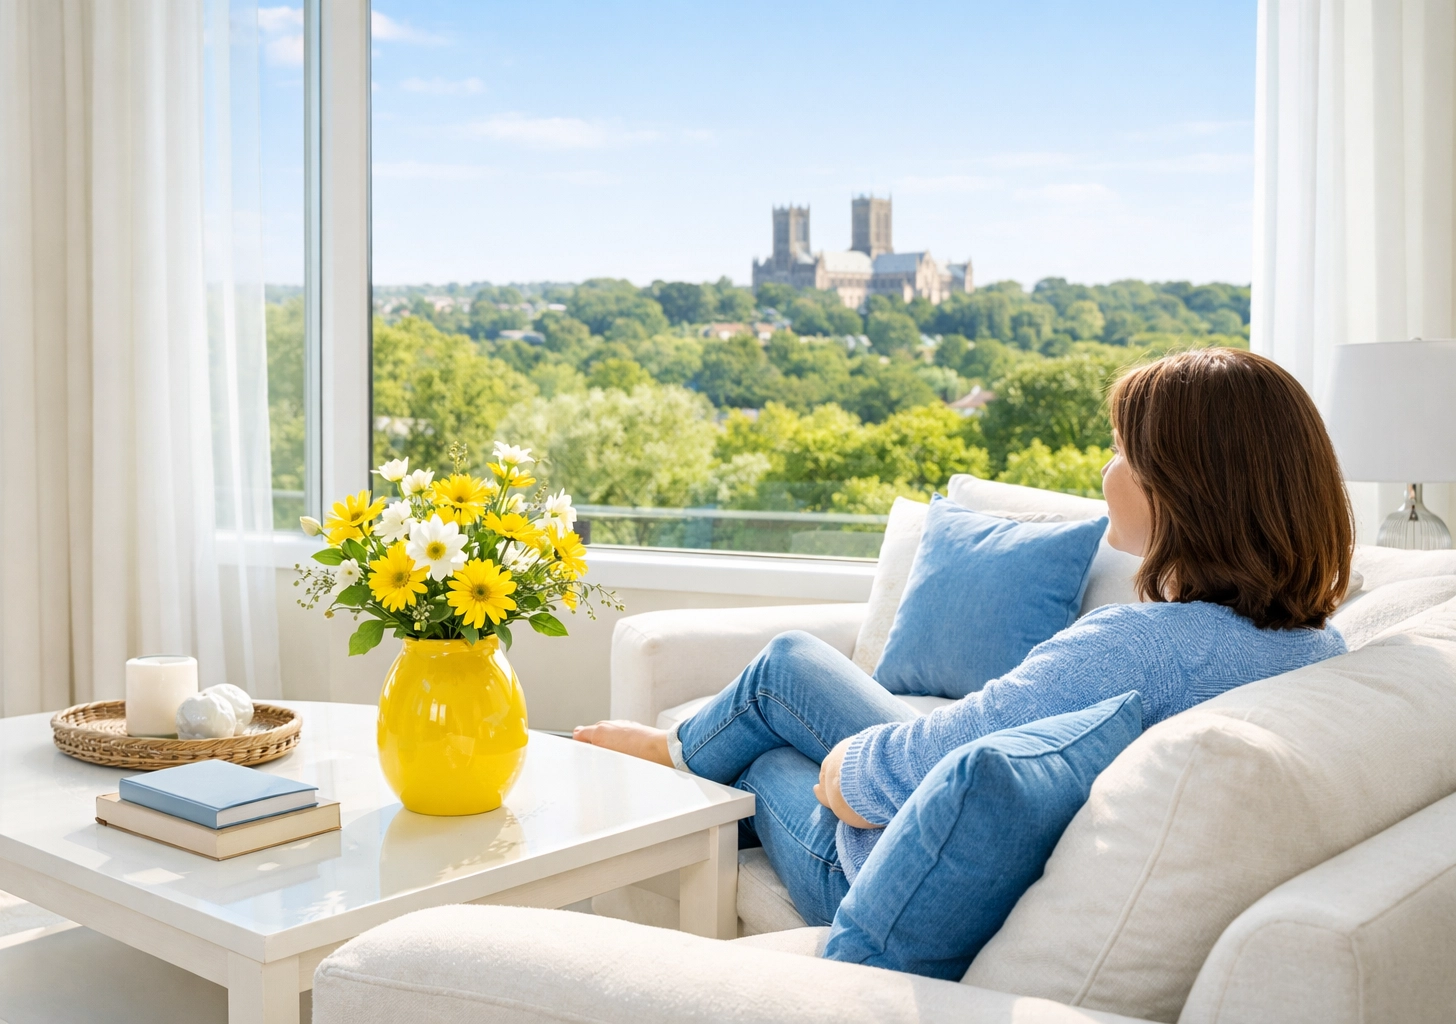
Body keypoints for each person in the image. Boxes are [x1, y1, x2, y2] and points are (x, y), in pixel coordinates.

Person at [575, 348, 1353, 927]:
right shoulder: (1313, 648)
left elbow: (887, 780)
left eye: (1121, 450)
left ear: (1182, 485)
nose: (1107, 469)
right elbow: (983, 736)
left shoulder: (1137, 647)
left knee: (770, 734)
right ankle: (676, 754)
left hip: (883, 877)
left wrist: (841, 766)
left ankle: (670, 764)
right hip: (989, 838)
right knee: (792, 665)